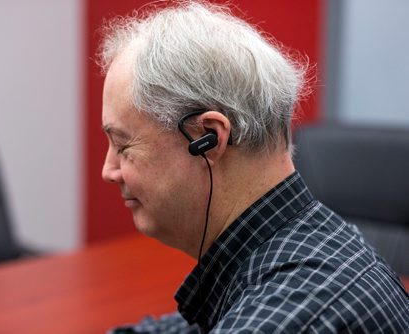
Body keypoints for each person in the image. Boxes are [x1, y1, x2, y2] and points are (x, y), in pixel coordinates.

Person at [98, 1, 409, 333]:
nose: (108, 170)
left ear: (207, 138)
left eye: (123, 145)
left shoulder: (292, 316)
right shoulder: (294, 253)